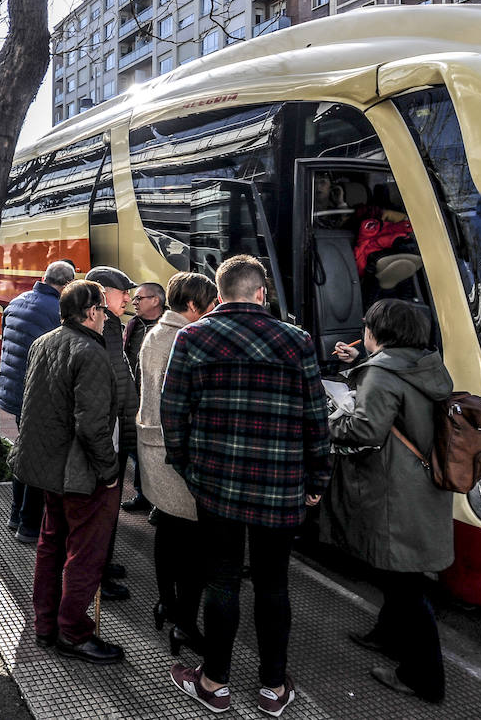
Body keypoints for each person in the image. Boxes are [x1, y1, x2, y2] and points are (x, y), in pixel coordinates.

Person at [160, 254, 331, 717]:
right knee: (274, 585)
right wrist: (317, 478)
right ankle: (274, 688)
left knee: (222, 580)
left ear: (219, 295)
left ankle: (214, 682)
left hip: (217, 487)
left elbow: (171, 413)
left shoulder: (192, 337)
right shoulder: (297, 342)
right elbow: (317, 419)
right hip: (281, 486)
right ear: (261, 293)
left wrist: (188, 469)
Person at [324, 299, 453, 704]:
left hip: (395, 489)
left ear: (381, 331)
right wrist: (363, 360)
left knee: (405, 584)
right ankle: (386, 636)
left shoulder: (381, 373)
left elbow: (364, 429)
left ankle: (423, 678)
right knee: (401, 575)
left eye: (367, 326)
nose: (363, 331)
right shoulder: (426, 364)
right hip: (421, 485)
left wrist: (326, 417)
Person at [10, 279, 122, 665]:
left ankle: (45, 626)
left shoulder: (45, 342)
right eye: (104, 310)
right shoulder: (90, 352)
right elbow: (91, 426)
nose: (106, 317)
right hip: (81, 475)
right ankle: (73, 632)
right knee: (84, 556)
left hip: (49, 471)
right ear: (91, 312)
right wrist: (110, 472)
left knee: (51, 546)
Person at [136, 272, 217, 657]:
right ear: (192, 305)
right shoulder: (186, 338)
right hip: (178, 451)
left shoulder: (154, 332)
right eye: (210, 304)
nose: (214, 310)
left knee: (167, 531)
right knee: (195, 546)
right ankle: (185, 623)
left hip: (153, 446)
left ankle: (166, 603)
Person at [0, 260, 76, 543]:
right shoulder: (58, 311)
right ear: (66, 285)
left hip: (13, 390)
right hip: (36, 395)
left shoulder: (17, 302)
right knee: (37, 459)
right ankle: (27, 525)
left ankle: (16, 514)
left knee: (24, 449)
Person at [83, 265, 139, 601]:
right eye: (123, 292)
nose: (128, 298)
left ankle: (102, 563)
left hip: (116, 426)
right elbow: (114, 382)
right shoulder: (104, 327)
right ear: (103, 292)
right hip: (110, 430)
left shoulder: (112, 324)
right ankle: (97, 573)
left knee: (108, 506)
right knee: (102, 508)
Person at [121, 280, 165, 512]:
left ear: (156, 300)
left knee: (156, 452)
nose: (134, 302)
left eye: (140, 298)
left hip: (158, 400)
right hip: (136, 397)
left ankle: (159, 499)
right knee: (137, 448)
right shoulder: (134, 324)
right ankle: (143, 495)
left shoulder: (167, 326)